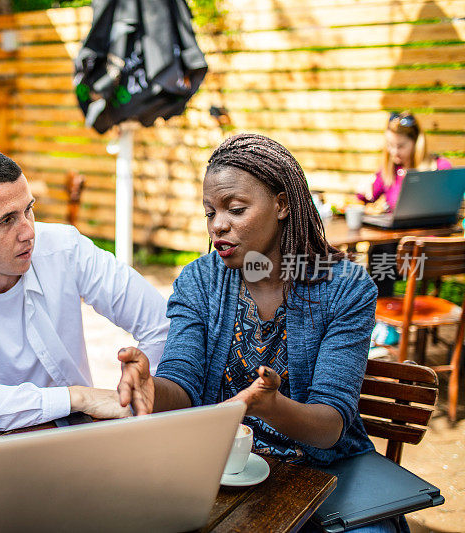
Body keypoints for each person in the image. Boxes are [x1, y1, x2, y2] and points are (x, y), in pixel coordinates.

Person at [117, 134, 403, 532]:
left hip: (323, 475)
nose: (218, 225)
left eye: (235, 209)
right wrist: (151, 385)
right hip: (226, 470)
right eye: (209, 212)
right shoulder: (199, 282)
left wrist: (270, 405)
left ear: (282, 204)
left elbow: (329, 427)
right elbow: (181, 382)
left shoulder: (346, 289)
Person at [0, 148, 169, 431]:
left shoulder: (65, 248)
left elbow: (161, 324)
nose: (28, 232)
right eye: (6, 220)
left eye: (29, 209)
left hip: (76, 436)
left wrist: (141, 384)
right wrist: (76, 398)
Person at [359, 111, 453, 298]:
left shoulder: (439, 167)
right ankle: (381, 315)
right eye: (390, 146)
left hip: (431, 249)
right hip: (400, 250)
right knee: (380, 250)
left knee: (382, 253)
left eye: (400, 146)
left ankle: (386, 313)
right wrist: (364, 190)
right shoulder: (390, 170)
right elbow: (365, 195)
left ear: (416, 142)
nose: (394, 152)